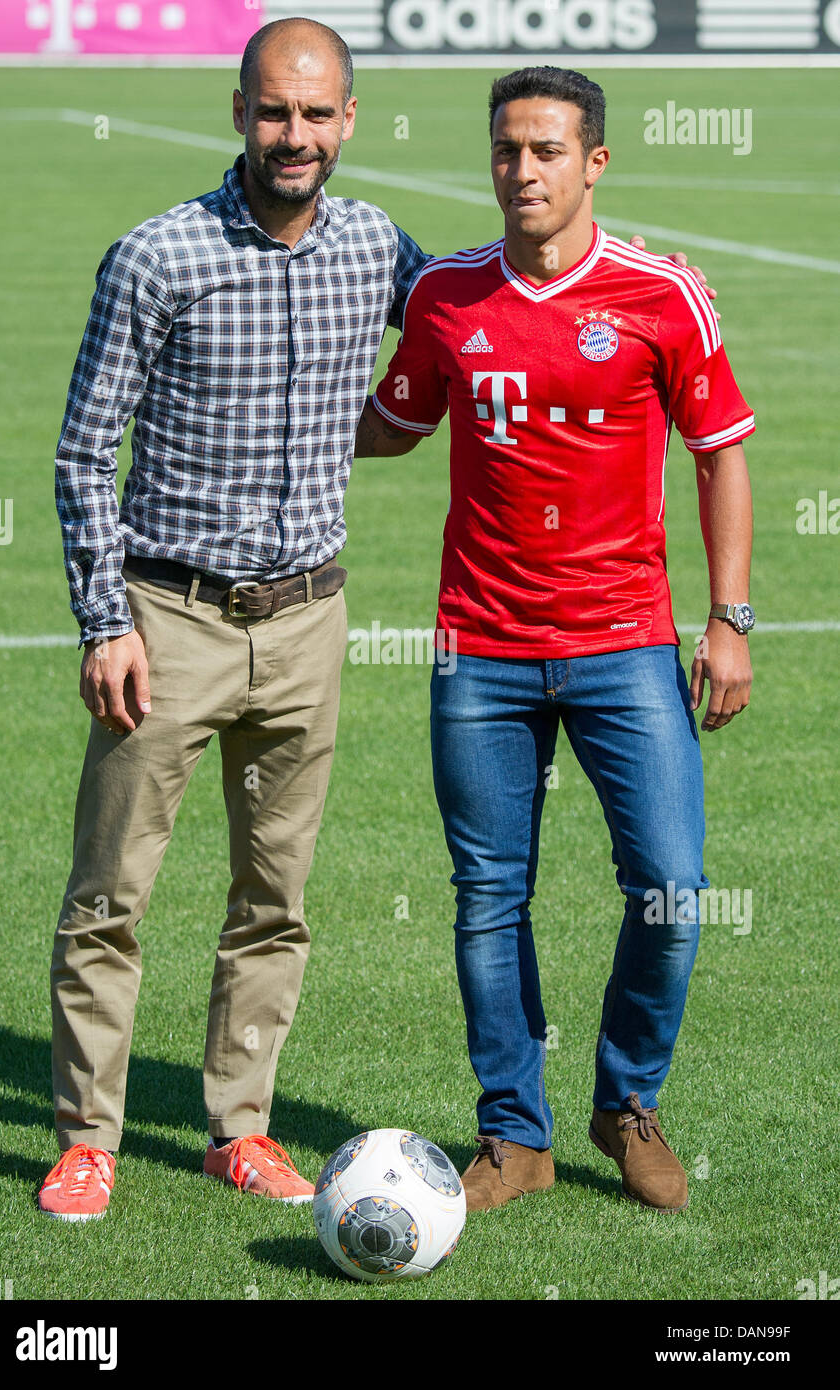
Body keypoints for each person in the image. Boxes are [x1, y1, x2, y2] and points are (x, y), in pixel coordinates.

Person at [42, 19, 718, 1221]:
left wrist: (641, 268)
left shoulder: (380, 252)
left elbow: (509, 293)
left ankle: (237, 1128)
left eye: (316, 115)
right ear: (239, 111)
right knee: (113, 892)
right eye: (272, 112)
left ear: (349, 121)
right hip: (170, 615)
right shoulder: (155, 256)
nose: (293, 136)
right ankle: (88, 1135)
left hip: (309, 622)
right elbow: (84, 450)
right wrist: (105, 619)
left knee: (275, 898)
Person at [356, 65, 755, 1213]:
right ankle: (513, 1134)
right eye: (504, 151)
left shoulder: (660, 293)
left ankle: (625, 1102)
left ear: (594, 163)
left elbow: (718, 451)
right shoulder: (444, 296)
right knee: (488, 894)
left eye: (544, 151)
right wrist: (280, 418)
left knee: (672, 885)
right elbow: (395, 423)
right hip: (478, 648)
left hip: (626, 642)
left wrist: (728, 622)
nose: (521, 171)